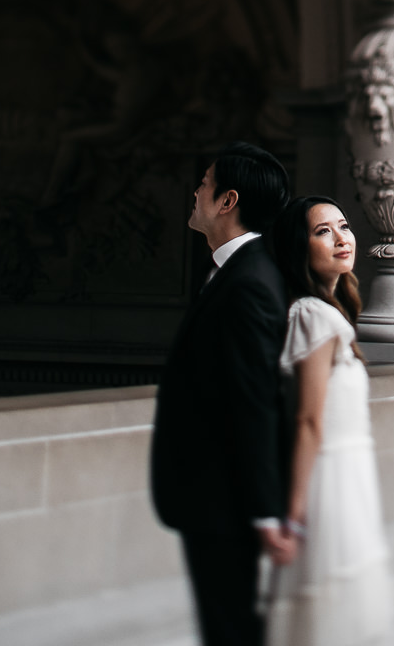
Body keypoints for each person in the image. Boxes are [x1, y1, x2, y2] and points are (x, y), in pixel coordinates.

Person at [151, 142, 297, 646]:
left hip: (225, 500)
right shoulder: (235, 272)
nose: (195, 191)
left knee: (230, 628)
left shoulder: (249, 282)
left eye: (205, 182)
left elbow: (254, 399)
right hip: (216, 496)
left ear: (227, 200)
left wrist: (262, 509)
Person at [263, 196, 394, 646]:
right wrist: (294, 513)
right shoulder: (313, 315)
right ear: (300, 247)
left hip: (349, 474)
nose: (342, 238)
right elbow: (308, 421)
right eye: (323, 231)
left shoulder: (332, 312)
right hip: (326, 483)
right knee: (324, 616)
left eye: (343, 226)